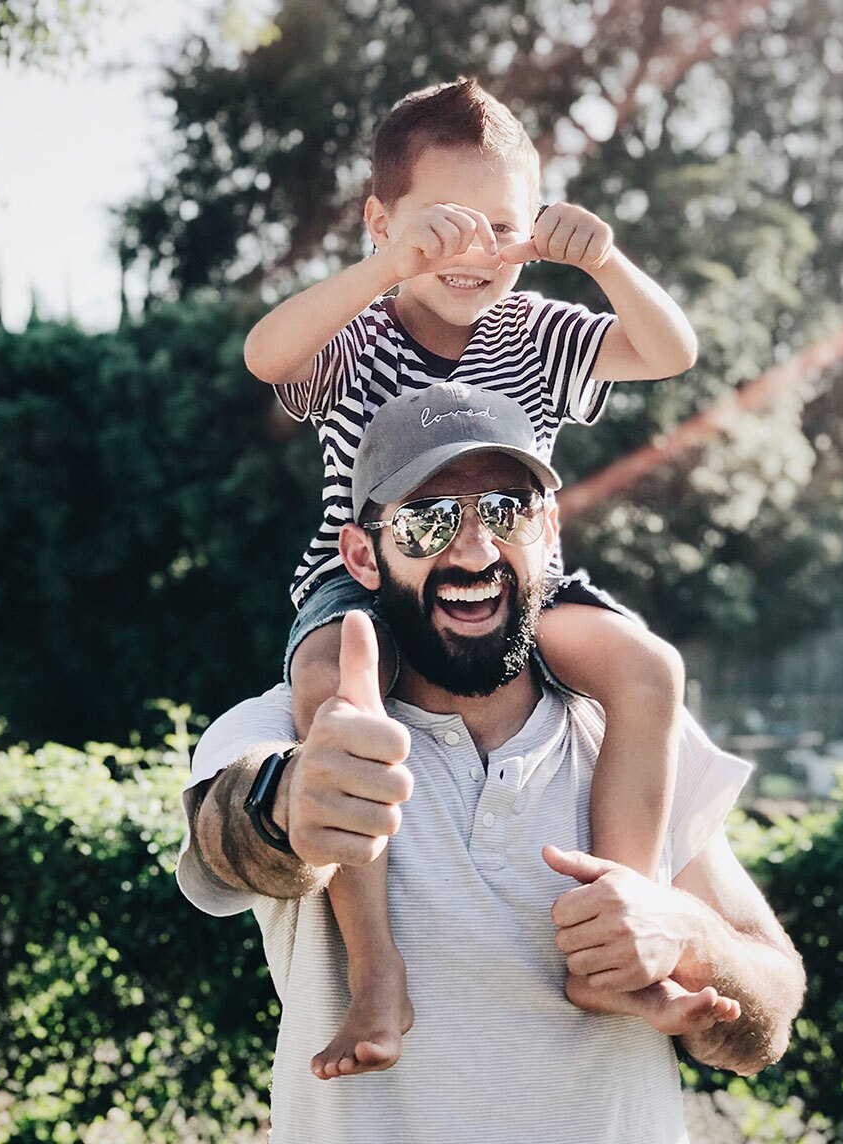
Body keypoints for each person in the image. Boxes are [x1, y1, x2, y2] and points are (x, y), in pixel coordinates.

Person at [177, 387, 805, 1144]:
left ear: (548, 529)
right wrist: (286, 808)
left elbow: (771, 1011)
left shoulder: (631, 735)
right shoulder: (295, 726)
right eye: (427, 521)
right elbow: (226, 837)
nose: (473, 551)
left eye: (506, 512)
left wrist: (690, 938)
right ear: (361, 556)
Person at [243, 77, 701, 1077]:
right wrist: (379, 272)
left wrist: (606, 260)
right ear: (382, 222)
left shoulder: (535, 331)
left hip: (515, 587)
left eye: (500, 225)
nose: (473, 251)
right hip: (360, 582)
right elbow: (264, 352)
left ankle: (614, 930)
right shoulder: (357, 335)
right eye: (441, 228)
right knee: (332, 694)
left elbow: (671, 352)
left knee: (648, 668)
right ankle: (376, 976)